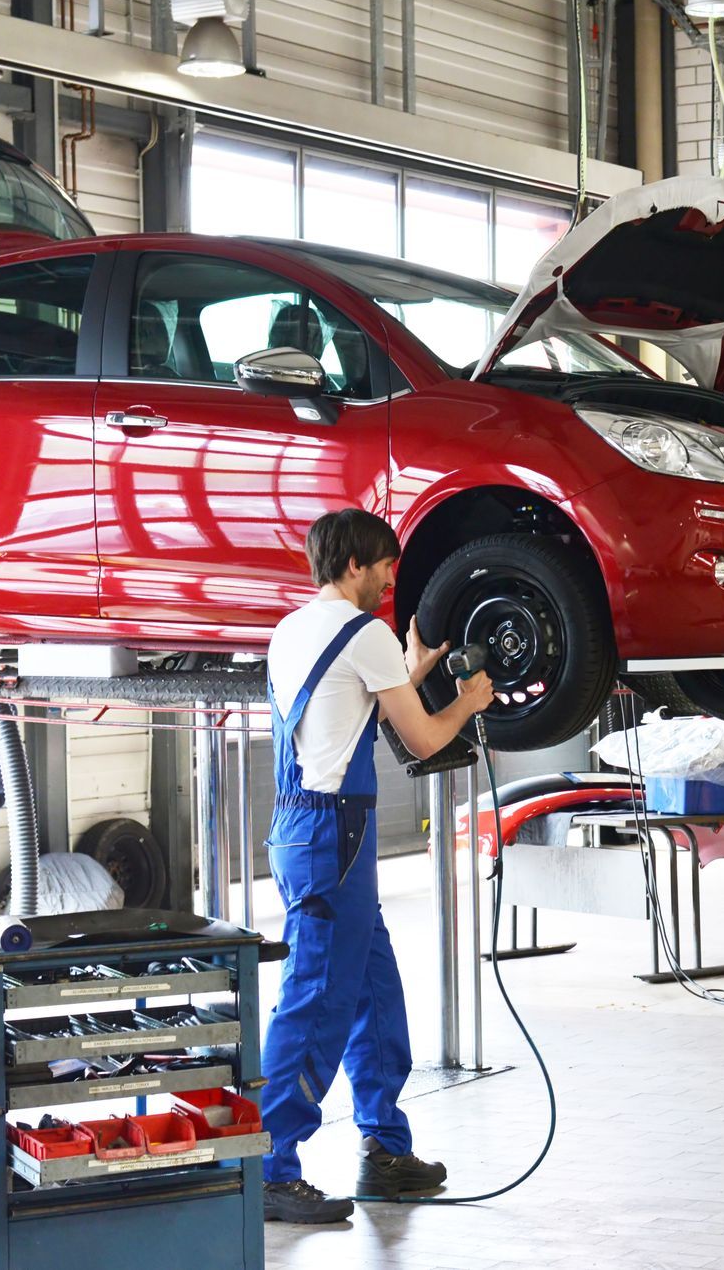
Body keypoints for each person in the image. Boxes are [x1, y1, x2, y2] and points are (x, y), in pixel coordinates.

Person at [259, 508, 494, 1224]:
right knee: (318, 1000)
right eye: (386, 565)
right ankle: (272, 1165)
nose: (393, 578)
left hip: (302, 828)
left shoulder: (292, 628)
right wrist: (466, 700)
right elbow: (421, 741)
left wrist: (411, 668)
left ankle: (386, 1152)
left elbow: (348, 709)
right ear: (354, 565)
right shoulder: (363, 634)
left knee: (374, 991)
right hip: (337, 835)